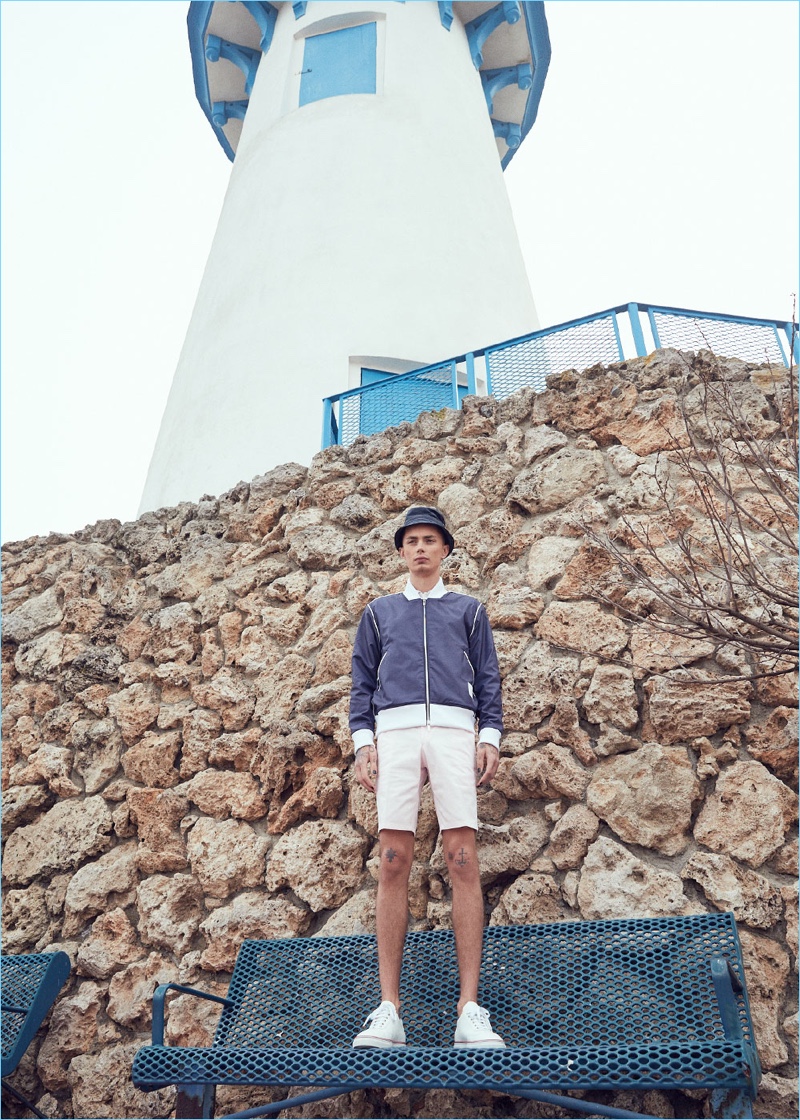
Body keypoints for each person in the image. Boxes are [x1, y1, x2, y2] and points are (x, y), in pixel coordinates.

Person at [349, 506, 504, 1049]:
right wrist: (363, 744)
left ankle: (469, 1010)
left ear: (445, 551)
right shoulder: (378, 613)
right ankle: (388, 1010)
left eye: (430, 541)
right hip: (393, 733)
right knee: (393, 860)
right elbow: (361, 684)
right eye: (411, 541)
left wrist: (490, 737)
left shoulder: (469, 610)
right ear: (400, 551)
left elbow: (487, 678)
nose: (420, 549)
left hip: (456, 732)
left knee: (462, 857)